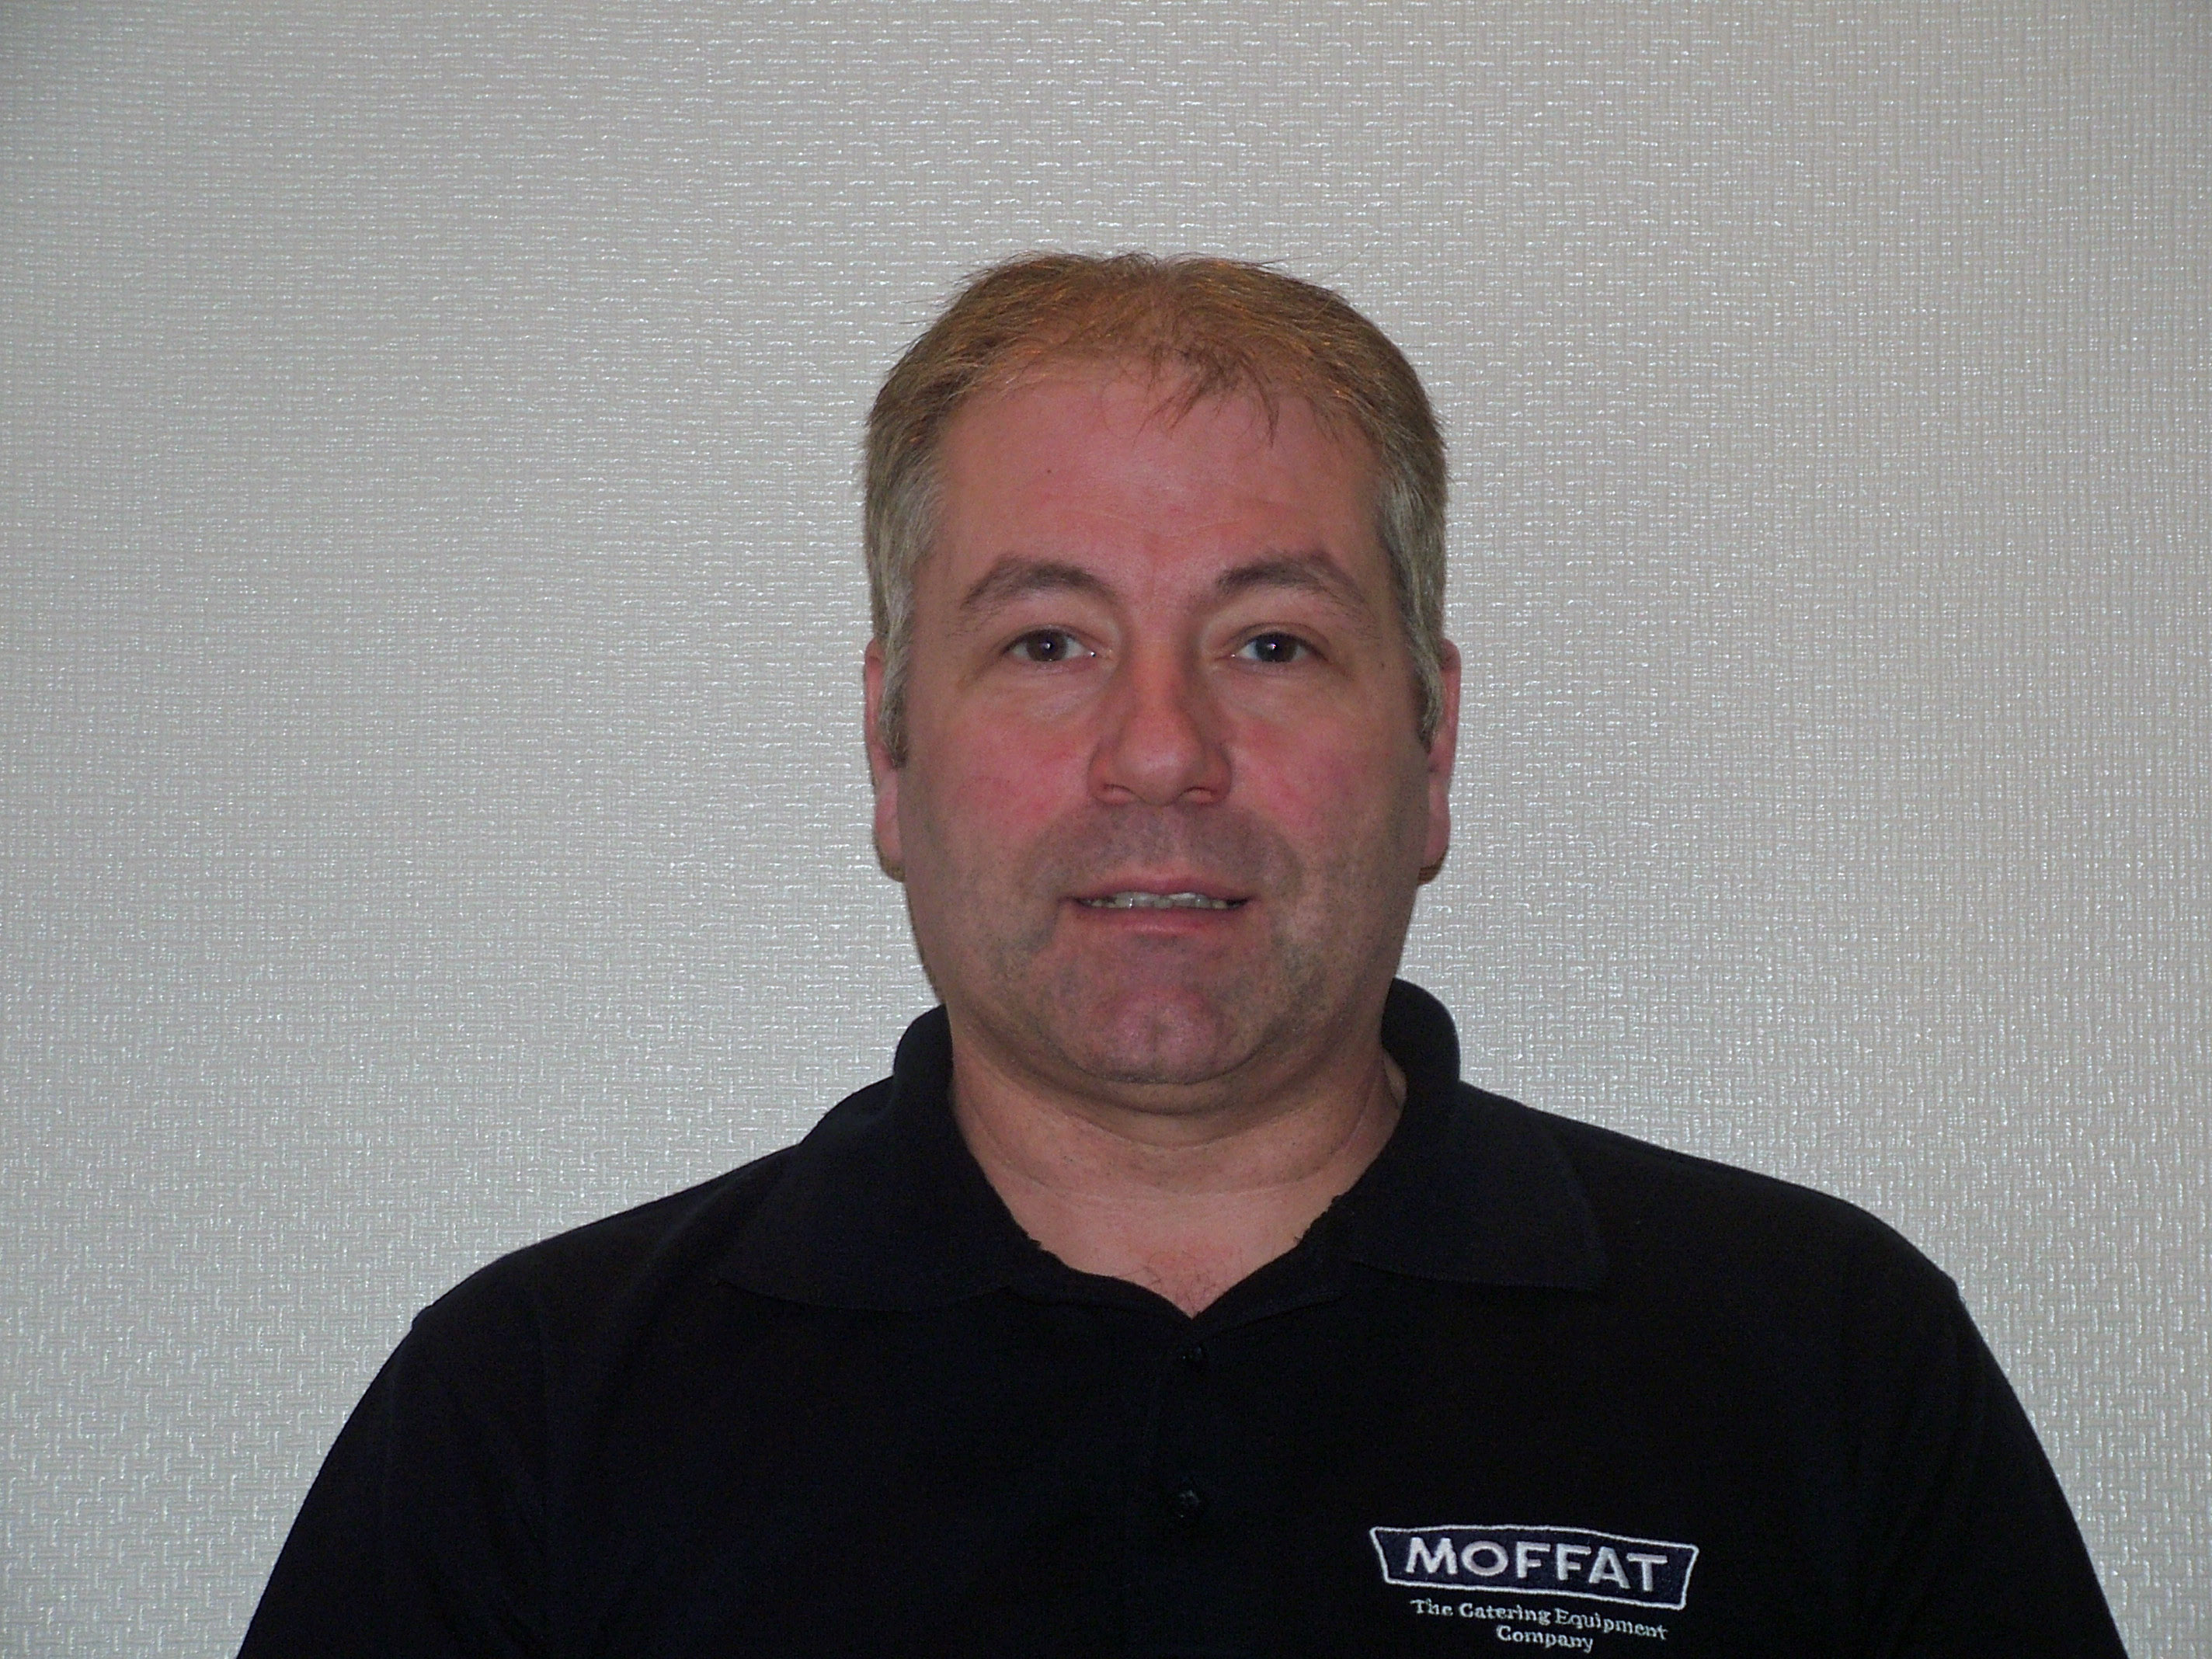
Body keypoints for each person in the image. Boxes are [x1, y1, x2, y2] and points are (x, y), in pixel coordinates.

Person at [239, 254, 2126, 1657]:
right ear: (889, 748)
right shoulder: (533, 1410)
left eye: (1270, 643)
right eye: (1046, 642)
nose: (1158, 753)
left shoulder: (1819, 1365)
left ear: (1431, 748)